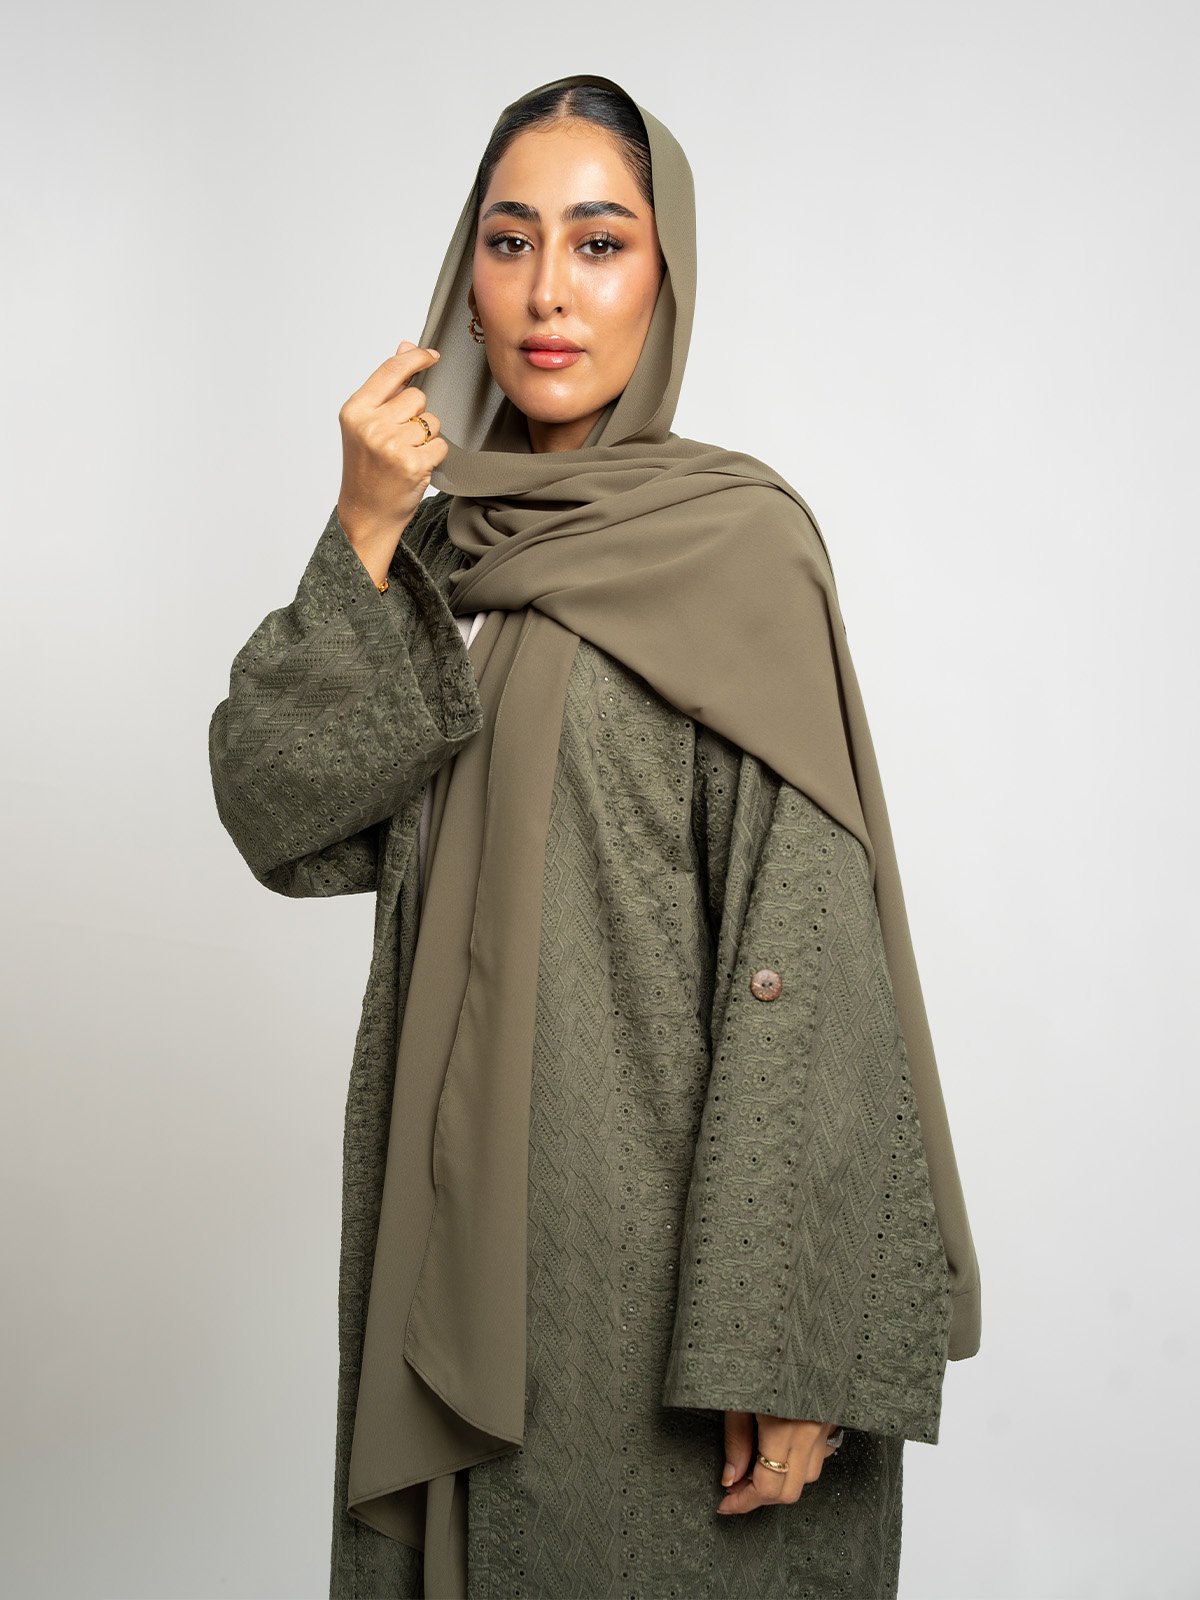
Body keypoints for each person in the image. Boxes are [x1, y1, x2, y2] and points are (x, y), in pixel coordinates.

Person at [208, 71, 982, 1600]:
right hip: (457, 1251)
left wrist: (791, 1336)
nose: (549, 289)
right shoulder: (436, 560)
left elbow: (807, 950)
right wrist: (362, 531)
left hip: (672, 1294)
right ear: (465, 281)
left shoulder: (737, 546)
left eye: (600, 242)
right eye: (509, 242)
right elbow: (277, 808)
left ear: (664, 280)